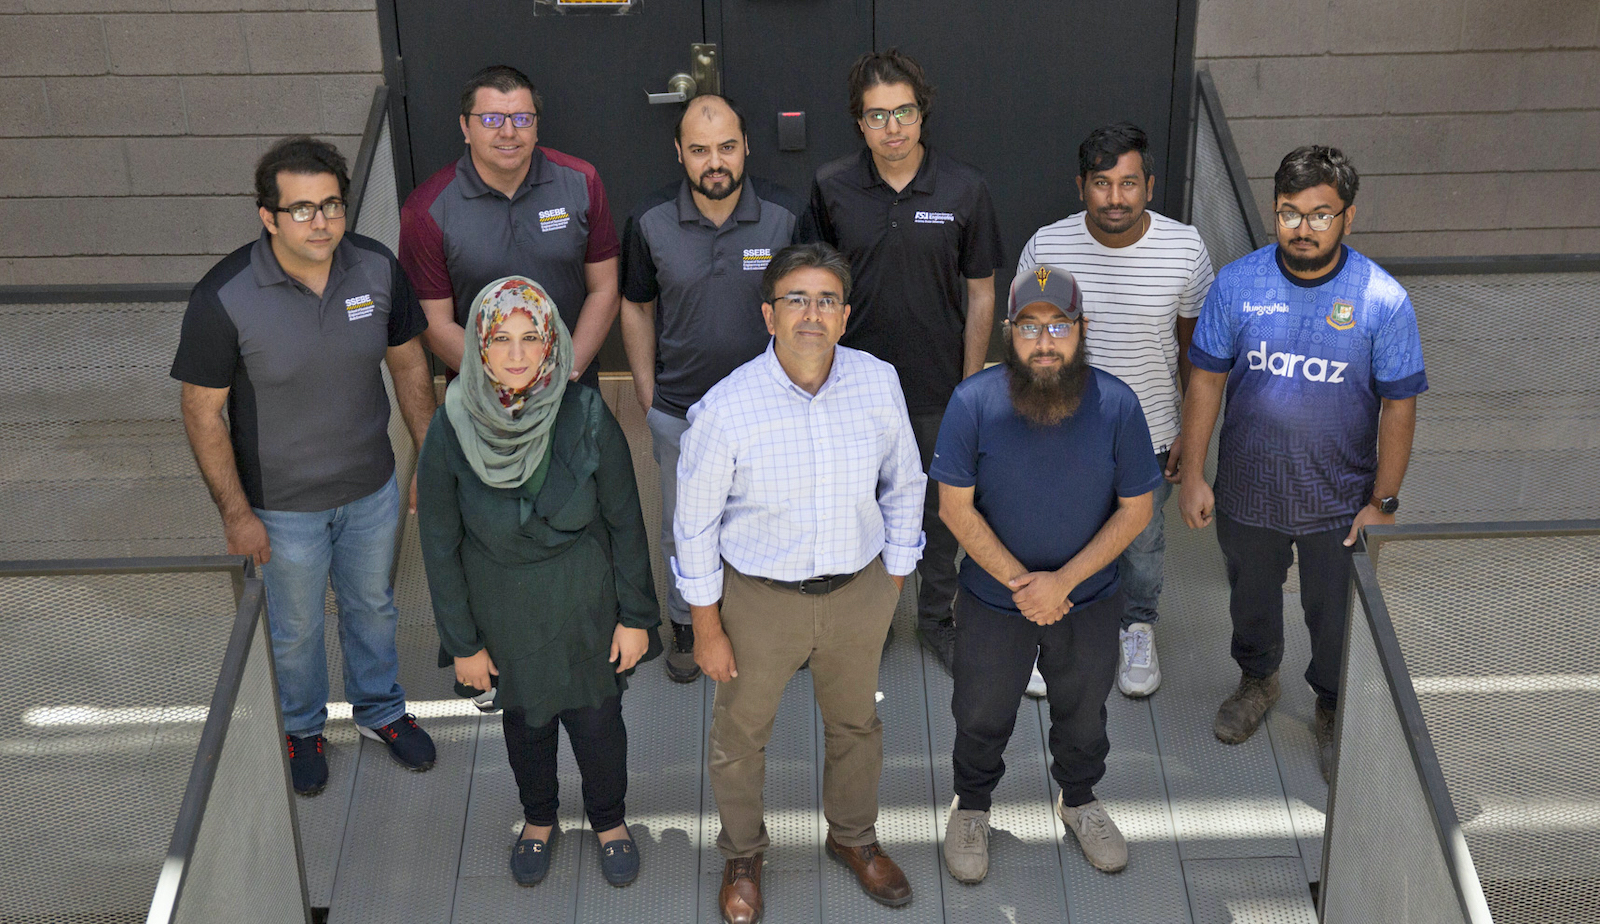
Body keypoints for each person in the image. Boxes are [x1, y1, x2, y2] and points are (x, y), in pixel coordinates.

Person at [172, 136, 437, 797]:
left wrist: (428, 456)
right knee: (295, 629)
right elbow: (202, 415)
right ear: (268, 216)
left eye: (331, 206)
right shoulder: (224, 297)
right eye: (301, 210)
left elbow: (408, 366)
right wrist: (237, 515)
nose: (319, 223)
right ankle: (301, 727)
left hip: (371, 490)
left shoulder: (376, 269)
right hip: (281, 508)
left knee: (372, 607)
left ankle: (381, 711)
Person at [674, 243, 925, 924]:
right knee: (740, 736)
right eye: (796, 300)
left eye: (825, 301)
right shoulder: (727, 408)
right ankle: (743, 855)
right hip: (759, 602)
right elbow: (693, 527)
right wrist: (706, 626)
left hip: (859, 591)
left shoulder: (877, 382)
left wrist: (894, 574)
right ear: (769, 314)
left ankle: (852, 838)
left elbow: (905, 480)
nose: (811, 314)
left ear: (845, 316)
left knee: (856, 724)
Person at [1178, 145, 1427, 781]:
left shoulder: (1382, 300)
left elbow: (1399, 406)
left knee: (1332, 610)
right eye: (1291, 213)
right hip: (1248, 492)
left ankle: (1331, 702)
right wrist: (1196, 474)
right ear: (1275, 212)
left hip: (1338, 503)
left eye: (1321, 214)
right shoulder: (1238, 285)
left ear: (1349, 216)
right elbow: (1205, 381)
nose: (1304, 228)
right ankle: (1258, 680)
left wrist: (1385, 501)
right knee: (1251, 598)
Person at [416, 276, 661, 888]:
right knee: (524, 724)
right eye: (502, 338)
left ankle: (609, 821)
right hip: (503, 612)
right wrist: (464, 643)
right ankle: (538, 819)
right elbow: (439, 547)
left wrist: (636, 618)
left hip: (585, 608)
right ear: (479, 343)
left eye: (532, 336)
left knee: (599, 722)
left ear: (553, 341)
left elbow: (626, 522)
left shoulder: (584, 412)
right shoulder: (450, 428)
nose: (518, 354)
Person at [933, 266, 1160, 881]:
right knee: (980, 712)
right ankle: (971, 806)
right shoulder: (972, 402)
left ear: (1081, 331)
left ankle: (1080, 800)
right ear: (1010, 332)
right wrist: (1025, 586)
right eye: (1030, 327)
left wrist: (1062, 583)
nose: (1044, 340)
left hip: (1088, 603)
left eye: (1058, 325)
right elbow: (954, 506)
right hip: (991, 603)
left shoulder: (1117, 404)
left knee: (1085, 715)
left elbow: (1137, 508)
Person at [801, 49, 1004, 674]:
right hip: (851, 387)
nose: (893, 127)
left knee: (945, 511)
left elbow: (981, 292)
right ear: (859, 124)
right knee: (856, 503)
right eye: (877, 115)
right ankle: (872, 619)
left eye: (904, 112)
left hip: (940, 385)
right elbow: (812, 288)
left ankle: (938, 616)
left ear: (923, 113)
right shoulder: (831, 187)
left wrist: (972, 386)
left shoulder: (964, 188)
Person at [1016, 123, 1215, 699]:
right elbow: (1028, 343)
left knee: (1143, 544)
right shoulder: (1048, 247)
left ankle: (1137, 626)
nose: (1115, 198)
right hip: (1060, 429)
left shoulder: (1184, 249)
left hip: (1149, 432)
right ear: (1081, 186)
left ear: (1149, 186)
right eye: (1102, 183)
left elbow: (1193, 351)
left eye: (1128, 183)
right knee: (1053, 533)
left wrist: (1190, 440)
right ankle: (1047, 629)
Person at [619, 94, 802, 682]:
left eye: (726, 147)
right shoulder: (649, 221)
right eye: (699, 151)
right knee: (686, 525)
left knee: (776, 516)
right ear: (679, 153)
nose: (714, 162)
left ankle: (777, 627)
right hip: (683, 412)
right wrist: (650, 400)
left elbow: (809, 308)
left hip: (772, 411)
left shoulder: (785, 215)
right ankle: (685, 625)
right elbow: (637, 308)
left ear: (747, 147)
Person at [400, 64, 620, 386]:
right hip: (480, 387)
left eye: (521, 119)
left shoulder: (581, 182)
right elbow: (435, 323)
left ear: (536, 126)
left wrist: (566, 370)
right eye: (490, 119)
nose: (508, 132)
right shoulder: (426, 210)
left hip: (570, 378)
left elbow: (605, 289)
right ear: (465, 126)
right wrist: (505, 380)